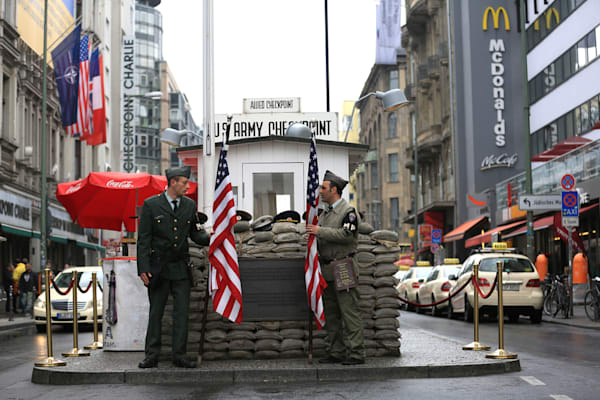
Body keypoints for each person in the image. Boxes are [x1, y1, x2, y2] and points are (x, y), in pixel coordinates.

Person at [137, 166, 210, 369]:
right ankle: (151, 355)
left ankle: (180, 355)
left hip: (180, 267)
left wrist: (214, 238)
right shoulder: (151, 205)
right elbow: (144, 240)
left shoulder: (189, 205)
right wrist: (143, 268)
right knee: (156, 313)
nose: (187, 186)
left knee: (181, 314)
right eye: (184, 183)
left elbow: (196, 235)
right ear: (173, 183)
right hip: (158, 267)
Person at [306, 170, 365, 365]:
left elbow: (346, 236)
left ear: (334, 190)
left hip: (343, 267)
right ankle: (336, 351)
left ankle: (356, 353)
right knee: (331, 313)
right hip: (327, 269)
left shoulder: (348, 212)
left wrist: (319, 231)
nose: (320, 191)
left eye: (323, 188)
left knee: (349, 312)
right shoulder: (325, 214)